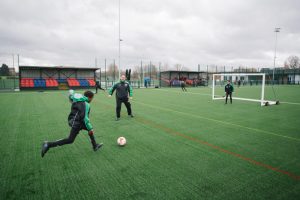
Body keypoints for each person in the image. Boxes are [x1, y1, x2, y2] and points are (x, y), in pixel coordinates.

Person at [41, 90, 103, 158]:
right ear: (89, 97)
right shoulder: (86, 104)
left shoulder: (77, 98)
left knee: (90, 130)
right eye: (92, 98)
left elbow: (71, 97)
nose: (92, 100)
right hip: (77, 122)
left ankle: (95, 145)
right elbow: (85, 118)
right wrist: (90, 128)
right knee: (70, 140)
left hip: (73, 119)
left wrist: (71, 93)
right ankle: (48, 144)